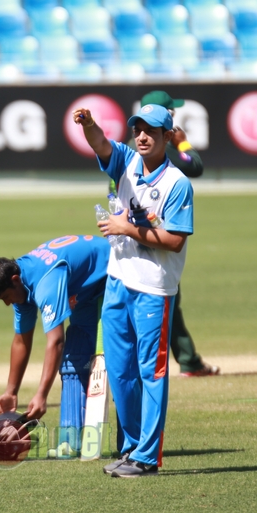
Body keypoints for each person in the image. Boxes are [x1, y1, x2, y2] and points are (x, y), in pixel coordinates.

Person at [74, 103, 194, 478]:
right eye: (137, 129)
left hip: (153, 290)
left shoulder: (177, 183)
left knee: (151, 373)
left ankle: (147, 457)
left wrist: (126, 228)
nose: (142, 136)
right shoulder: (125, 159)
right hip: (117, 281)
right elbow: (101, 145)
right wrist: (89, 125)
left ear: (167, 138)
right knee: (122, 372)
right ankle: (129, 448)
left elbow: (174, 240)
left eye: (151, 131)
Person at [0, 235, 109, 455]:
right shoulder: (20, 281)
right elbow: (21, 340)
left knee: (121, 364)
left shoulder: (45, 282)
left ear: (14, 280)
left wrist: (41, 394)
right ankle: (70, 443)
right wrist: (11, 392)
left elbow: (56, 341)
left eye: (6, 296)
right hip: (86, 289)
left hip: (116, 275)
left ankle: (132, 447)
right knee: (74, 358)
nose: (7, 303)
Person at [136, 90, 219, 378]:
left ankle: (189, 359)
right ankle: (186, 361)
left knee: (163, 300)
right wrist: (182, 140)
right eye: (172, 111)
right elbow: (194, 165)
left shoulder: (132, 146)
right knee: (165, 298)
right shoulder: (163, 147)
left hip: (128, 232)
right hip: (154, 233)